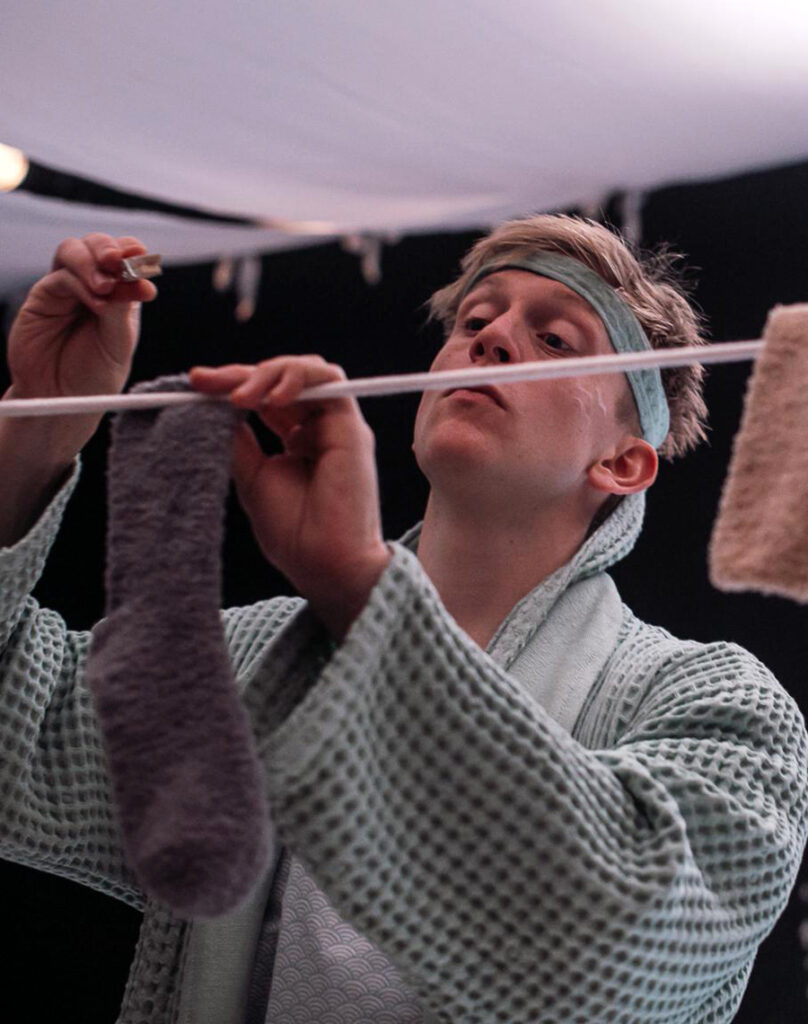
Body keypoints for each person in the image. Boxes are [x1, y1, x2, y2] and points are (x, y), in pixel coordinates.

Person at [1, 218, 806, 1024]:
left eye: (556, 339)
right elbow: (16, 732)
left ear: (623, 462)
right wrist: (32, 433)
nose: (490, 338)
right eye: (474, 319)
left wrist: (363, 591)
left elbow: (624, 942)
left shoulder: (718, 706)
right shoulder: (254, 660)